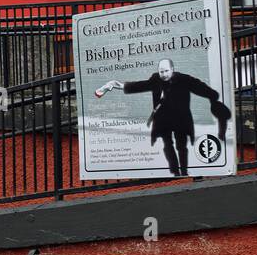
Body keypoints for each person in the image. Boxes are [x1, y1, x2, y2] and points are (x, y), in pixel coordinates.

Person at [95, 57, 233, 177]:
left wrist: (212, 96)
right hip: (163, 120)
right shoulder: (156, 79)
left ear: (172, 69)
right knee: (168, 145)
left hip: (181, 119)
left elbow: (199, 86)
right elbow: (139, 85)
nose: (164, 74)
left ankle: (184, 171)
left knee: (182, 146)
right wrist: (117, 84)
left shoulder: (184, 79)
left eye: (166, 71)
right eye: (161, 71)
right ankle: (176, 172)